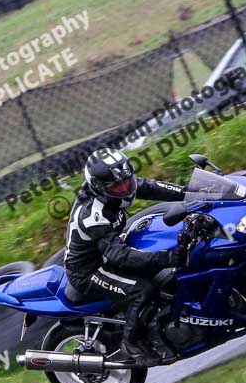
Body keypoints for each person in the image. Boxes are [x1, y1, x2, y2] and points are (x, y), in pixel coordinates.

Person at [64, 148, 187, 364]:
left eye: (127, 181)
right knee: (143, 290)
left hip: (108, 255)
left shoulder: (119, 183)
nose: (125, 189)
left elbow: (149, 187)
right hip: (90, 271)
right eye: (117, 186)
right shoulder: (94, 216)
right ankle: (132, 342)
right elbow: (120, 257)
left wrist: (190, 192)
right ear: (99, 187)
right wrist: (167, 258)